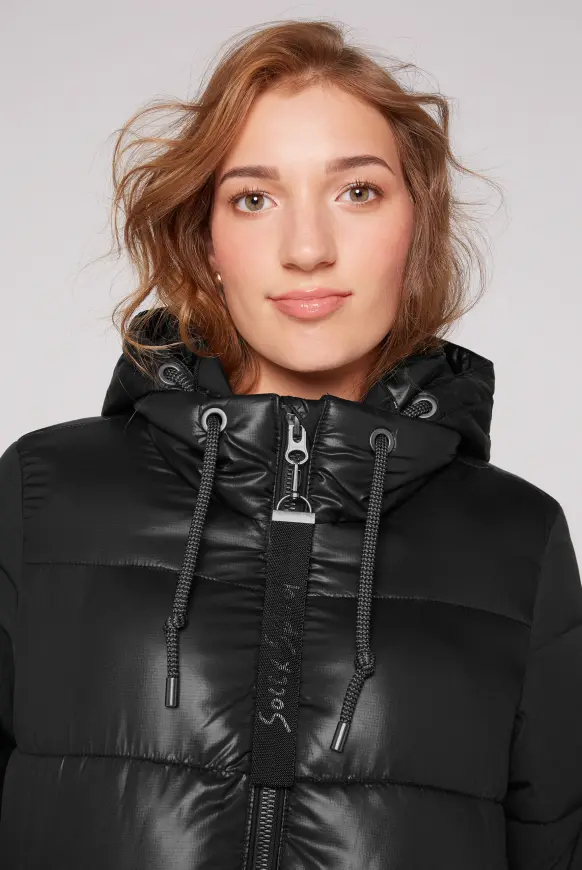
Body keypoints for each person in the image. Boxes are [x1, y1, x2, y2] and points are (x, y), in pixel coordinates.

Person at [1, 17, 581, 870]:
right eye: (254, 198)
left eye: (357, 192)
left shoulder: (518, 539)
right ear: (207, 240)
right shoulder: (43, 492)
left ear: (415, 226)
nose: (307, 249)